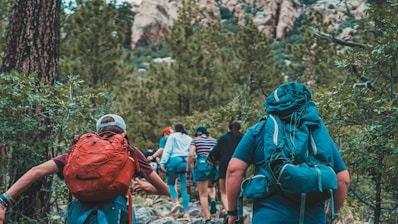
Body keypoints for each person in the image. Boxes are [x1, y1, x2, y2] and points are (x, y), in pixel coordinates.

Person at [0, 114, 169, 224]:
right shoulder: (130, 151)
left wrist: (4, 201)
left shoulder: (78, 152)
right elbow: (165, 190)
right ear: (123, 132)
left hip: (79, 213)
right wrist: (150, 189)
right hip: (114, 214)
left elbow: (36, 171)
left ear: (97, 132)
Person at [226, 87, 350, 224]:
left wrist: (233, 213)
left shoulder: (258, 131)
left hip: (269, 217)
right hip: (313, 218)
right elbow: (343, 179)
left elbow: (234, 170)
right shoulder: (317, 133)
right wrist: (330, 215)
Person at [159, 123, 192, 220]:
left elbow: (167, 150)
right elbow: (192, 153)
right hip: (186, 162)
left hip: (174, 162)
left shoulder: (172, 137)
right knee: (186, 187)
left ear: (175, 129)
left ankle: (175, 201)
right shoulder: (189, 138)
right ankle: (186, 213)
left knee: (171, 183)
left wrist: (163, 162)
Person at [209, 121, 243, 213]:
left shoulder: (223, 138)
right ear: (240, 129)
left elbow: (214, 153)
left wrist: (216, 160)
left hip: (224, 166)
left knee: (224, 192)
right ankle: (238, 211)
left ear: (228, 129)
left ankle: (230, 212)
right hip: (240, 166)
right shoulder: (243, 138)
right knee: (238, 192)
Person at [187, 126, 217, 223]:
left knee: (203, 195)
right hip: (213, 166)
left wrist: (188, 168)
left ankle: (207, 218)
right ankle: (213, 198)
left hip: (201, 165)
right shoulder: (214, 140)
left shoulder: (195, 140)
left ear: (199, 133)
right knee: (212, 186)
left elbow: (191, 154)